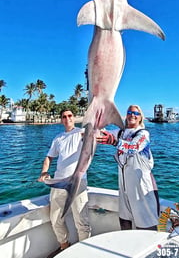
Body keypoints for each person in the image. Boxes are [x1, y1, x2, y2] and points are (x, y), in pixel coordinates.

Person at [98, 104, 160, 231]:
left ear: (140, 118)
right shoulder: (120, 133)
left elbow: (133, 147)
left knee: (146, 224)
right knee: (124, 221)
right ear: (126, 116)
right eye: (130, 112)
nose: (132, 115)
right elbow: (102, 134)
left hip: (141, 186)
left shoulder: (143, 134)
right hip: (124, 186)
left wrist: (115, 142)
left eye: (136, 113)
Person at [38, 109, 91, 256]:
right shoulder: (58, 138)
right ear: (61, 120)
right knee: (55, 219)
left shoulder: (81, 133)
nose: (67, 118)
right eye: (64, 117)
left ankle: (84, 252)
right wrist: (44, 172)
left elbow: (95, 135)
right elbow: (49, 157)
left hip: (78, 182)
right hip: (59, 182)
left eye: (70, 116)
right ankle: (64, 246)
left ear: (74, 118)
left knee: (82, 221)